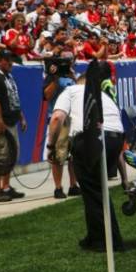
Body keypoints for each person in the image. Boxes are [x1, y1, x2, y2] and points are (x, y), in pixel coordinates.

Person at [46, 74, 125, 252]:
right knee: (97, 189)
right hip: (116, 138)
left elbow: (57, 118)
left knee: (93, 191)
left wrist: (51, 146)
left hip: (91, 139)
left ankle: (108, 240)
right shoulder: (103, 95)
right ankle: (95, 236)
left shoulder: (70, 91)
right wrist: (124, 178)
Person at [0, 50, 27, 202]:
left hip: (12, 122)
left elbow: (14, 99)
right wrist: (0, 121)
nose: (10, 63)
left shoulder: (9, 77)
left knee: (11, 156)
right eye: (7, 60)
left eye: (11, 60)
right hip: (1, 124)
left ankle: (7, 187)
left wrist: (21, 117)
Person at [43, 57, 81, 199]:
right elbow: (46, 96)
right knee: (58, 156)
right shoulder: (51, 78)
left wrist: (72, 76)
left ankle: (73, 185)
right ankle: (58, 187)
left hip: (73, 119)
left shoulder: (71, 77)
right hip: (59, 120)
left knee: (74, 156)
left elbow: (79, 92)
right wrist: (55, 79)